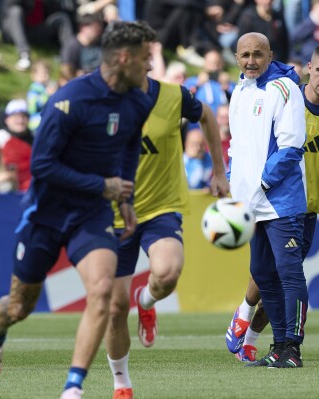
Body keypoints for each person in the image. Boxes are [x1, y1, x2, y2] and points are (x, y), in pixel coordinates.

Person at [0, 21, 157, 399]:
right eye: (145, 58)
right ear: (124, 58)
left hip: (91, 215)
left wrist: (124, 198)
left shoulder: (139, 100)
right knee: (18, 306)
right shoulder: (70, 100)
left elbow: (128, 148)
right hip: (46, 214)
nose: (150, 66)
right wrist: (102, 185)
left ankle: (72, 389)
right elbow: (42, 166)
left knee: (103, 291)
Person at [103, 55, 229, 398]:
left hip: (161, 207)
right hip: (114, 215)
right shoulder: (99, 100)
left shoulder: (173, 97)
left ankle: (145, 301)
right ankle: (122, 384)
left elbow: (205, 115)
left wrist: (219, 170)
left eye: (143, 56)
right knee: (114, 310)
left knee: (169, 271)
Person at [225, 42, 319, 363]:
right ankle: (252, 327)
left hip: (303, 203)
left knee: (284, 275)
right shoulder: (285, 94)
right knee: (264, 273)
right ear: (309, 68)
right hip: (266, 199)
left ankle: (281, 344)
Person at [226, 32, 308, 368]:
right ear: (236, 57)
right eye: (244, 55)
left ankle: (293, 347)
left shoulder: (284, 88)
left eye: (258, 54)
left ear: (270, 54)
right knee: (261, 272)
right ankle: (278, 345)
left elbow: (291, 146)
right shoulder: (239, 90)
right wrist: (235, 185)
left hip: (280, 202)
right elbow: (236, 146)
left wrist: (260, 183)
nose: (251, 61)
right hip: (250, 204)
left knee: (289, 274)